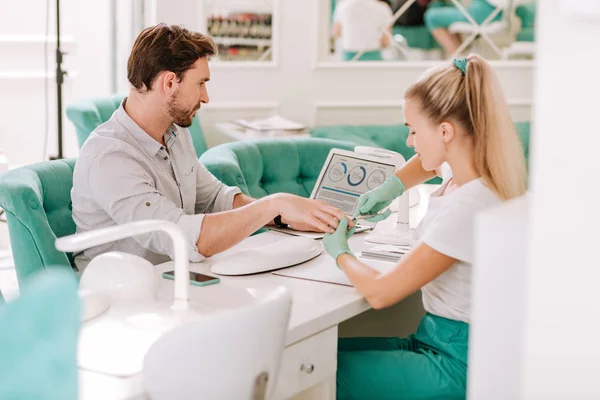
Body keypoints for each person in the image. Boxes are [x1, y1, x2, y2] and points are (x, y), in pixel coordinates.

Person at [322, 54, 526, 399]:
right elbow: (428, 166)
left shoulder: (469, 206)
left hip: (456, 364)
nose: (409, 142)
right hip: (439, 342)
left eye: (414, 131)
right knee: (314, 358)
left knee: (320, 374)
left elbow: (381, 293)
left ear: (446, 131)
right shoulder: (469, 176)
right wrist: (392, 187)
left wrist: (340, 252)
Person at [71, 23, 351, 271]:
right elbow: (183, 238)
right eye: (201, 84)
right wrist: (273, 204)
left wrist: (284, 216)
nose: (205, 97)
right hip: (120, 300)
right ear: (170, 82)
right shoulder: (110, 156)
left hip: (174, 282)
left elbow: (215, 198)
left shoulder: (175, 133)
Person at [424, 0, 508, 55]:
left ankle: (459, 61)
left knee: (431, 17)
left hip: (481, 15)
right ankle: (461, 56)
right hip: (497, 14)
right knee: (448, 9)